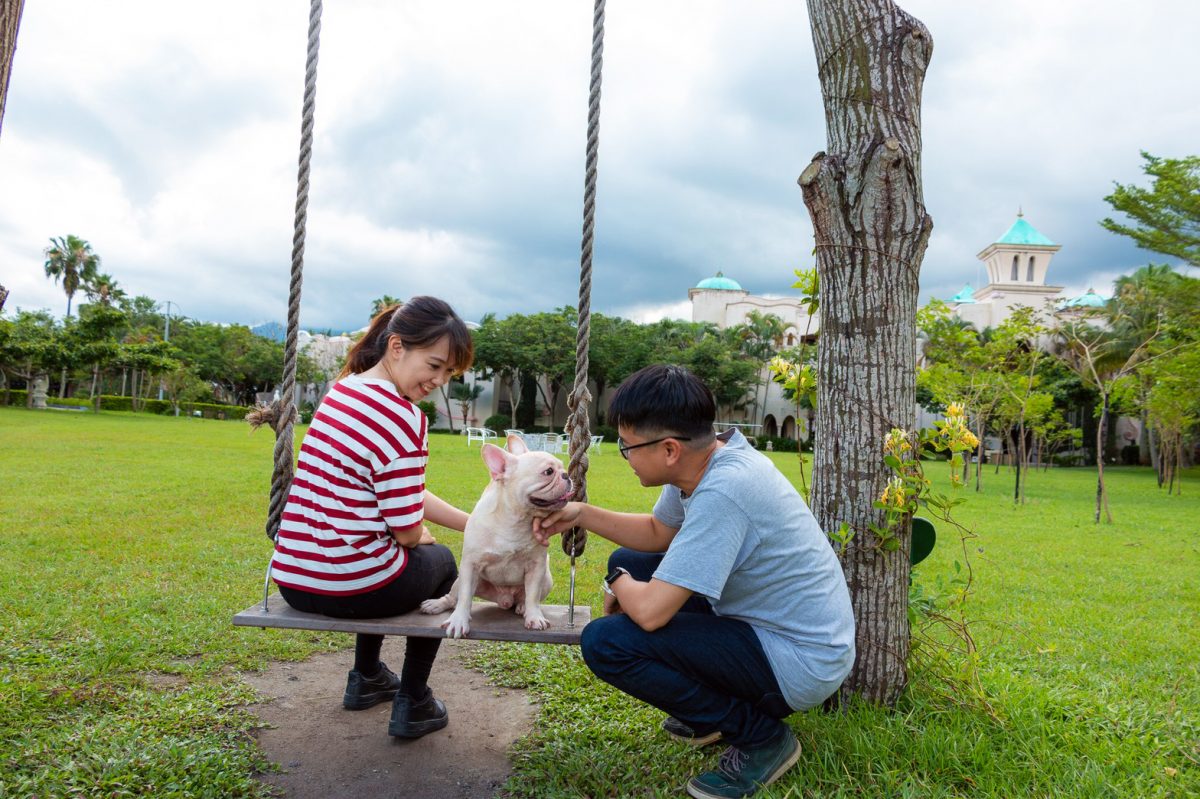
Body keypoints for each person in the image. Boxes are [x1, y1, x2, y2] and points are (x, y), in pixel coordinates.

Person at [533, 364, 855, 799]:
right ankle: (708, 716)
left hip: (798, 661)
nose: (625, 457)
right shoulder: (704, 462)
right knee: (634, 560)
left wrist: (617, 583)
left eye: (628, 448)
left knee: (607, 642)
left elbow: (649, 613)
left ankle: (761, 738)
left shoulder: (724, 490)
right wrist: (581, 514)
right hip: (762, 625)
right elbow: (657, 533)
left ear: (669, 449)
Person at [269, 296, 474, 739]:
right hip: (352, 587)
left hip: (294, 579)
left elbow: (404, 492)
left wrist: (471, 523)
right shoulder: (403, 417)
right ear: (397, 346)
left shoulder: (340, 393)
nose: (437, 382)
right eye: (433, 365)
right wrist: (422, 537)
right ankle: (415, 700)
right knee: (441, 565)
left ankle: (367, 678)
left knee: (390, 557)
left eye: (448, 374)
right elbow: (404, 529)